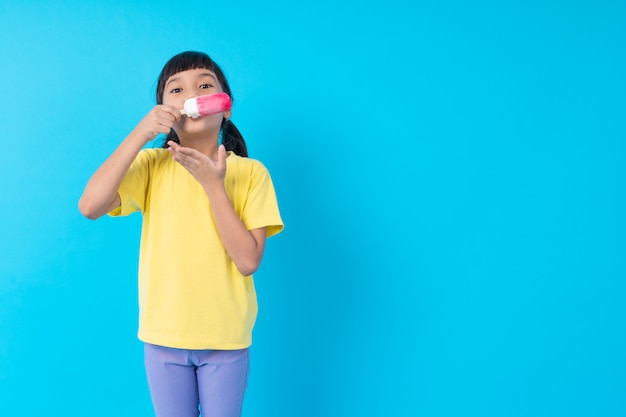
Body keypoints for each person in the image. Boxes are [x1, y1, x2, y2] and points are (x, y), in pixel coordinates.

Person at [78, 51, 284, 417]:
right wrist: (141, 133)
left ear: (226, 107)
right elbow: (90, 206)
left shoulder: (252, 174)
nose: (192, 93)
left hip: (226, 337)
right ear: (165, 111)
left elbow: (249, 261)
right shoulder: (151, 166)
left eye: (205, 84)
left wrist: (214, 187)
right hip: (163, 336)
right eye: (176, 89)